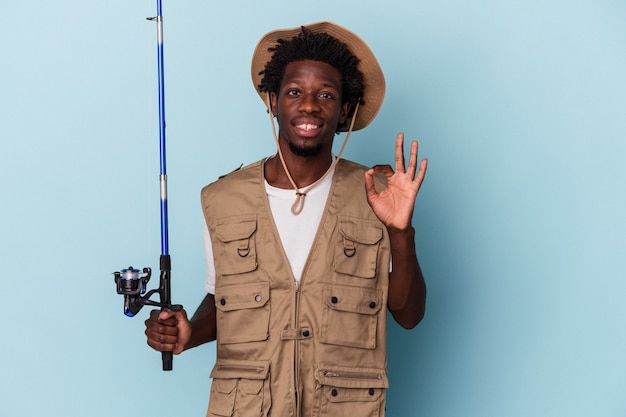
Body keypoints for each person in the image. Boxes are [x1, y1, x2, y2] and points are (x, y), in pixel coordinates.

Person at [145, 21, 428, 417]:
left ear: (345, 108)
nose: (309, 106)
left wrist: (401, 230)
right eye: (295, 92)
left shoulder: (378, 192)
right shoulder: (222, 200)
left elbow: (409, 314)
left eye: (326, 95)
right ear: (273, 101)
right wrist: (190, 332)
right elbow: (224, 301)